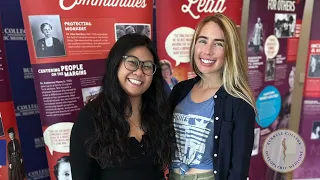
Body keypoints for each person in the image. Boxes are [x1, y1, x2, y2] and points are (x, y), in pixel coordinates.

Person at [70, 33, 176, 180]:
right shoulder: (91, 117)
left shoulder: (158, 113)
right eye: (132, 62)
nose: (139, 72)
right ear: (116, 64)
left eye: (147, 66)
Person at [168, 13, 257, 180]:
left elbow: (238, 171)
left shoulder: (239, 103)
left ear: (230, 51)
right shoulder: (180, 90)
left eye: (218, 44)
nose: (207, 51)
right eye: (202, 41)